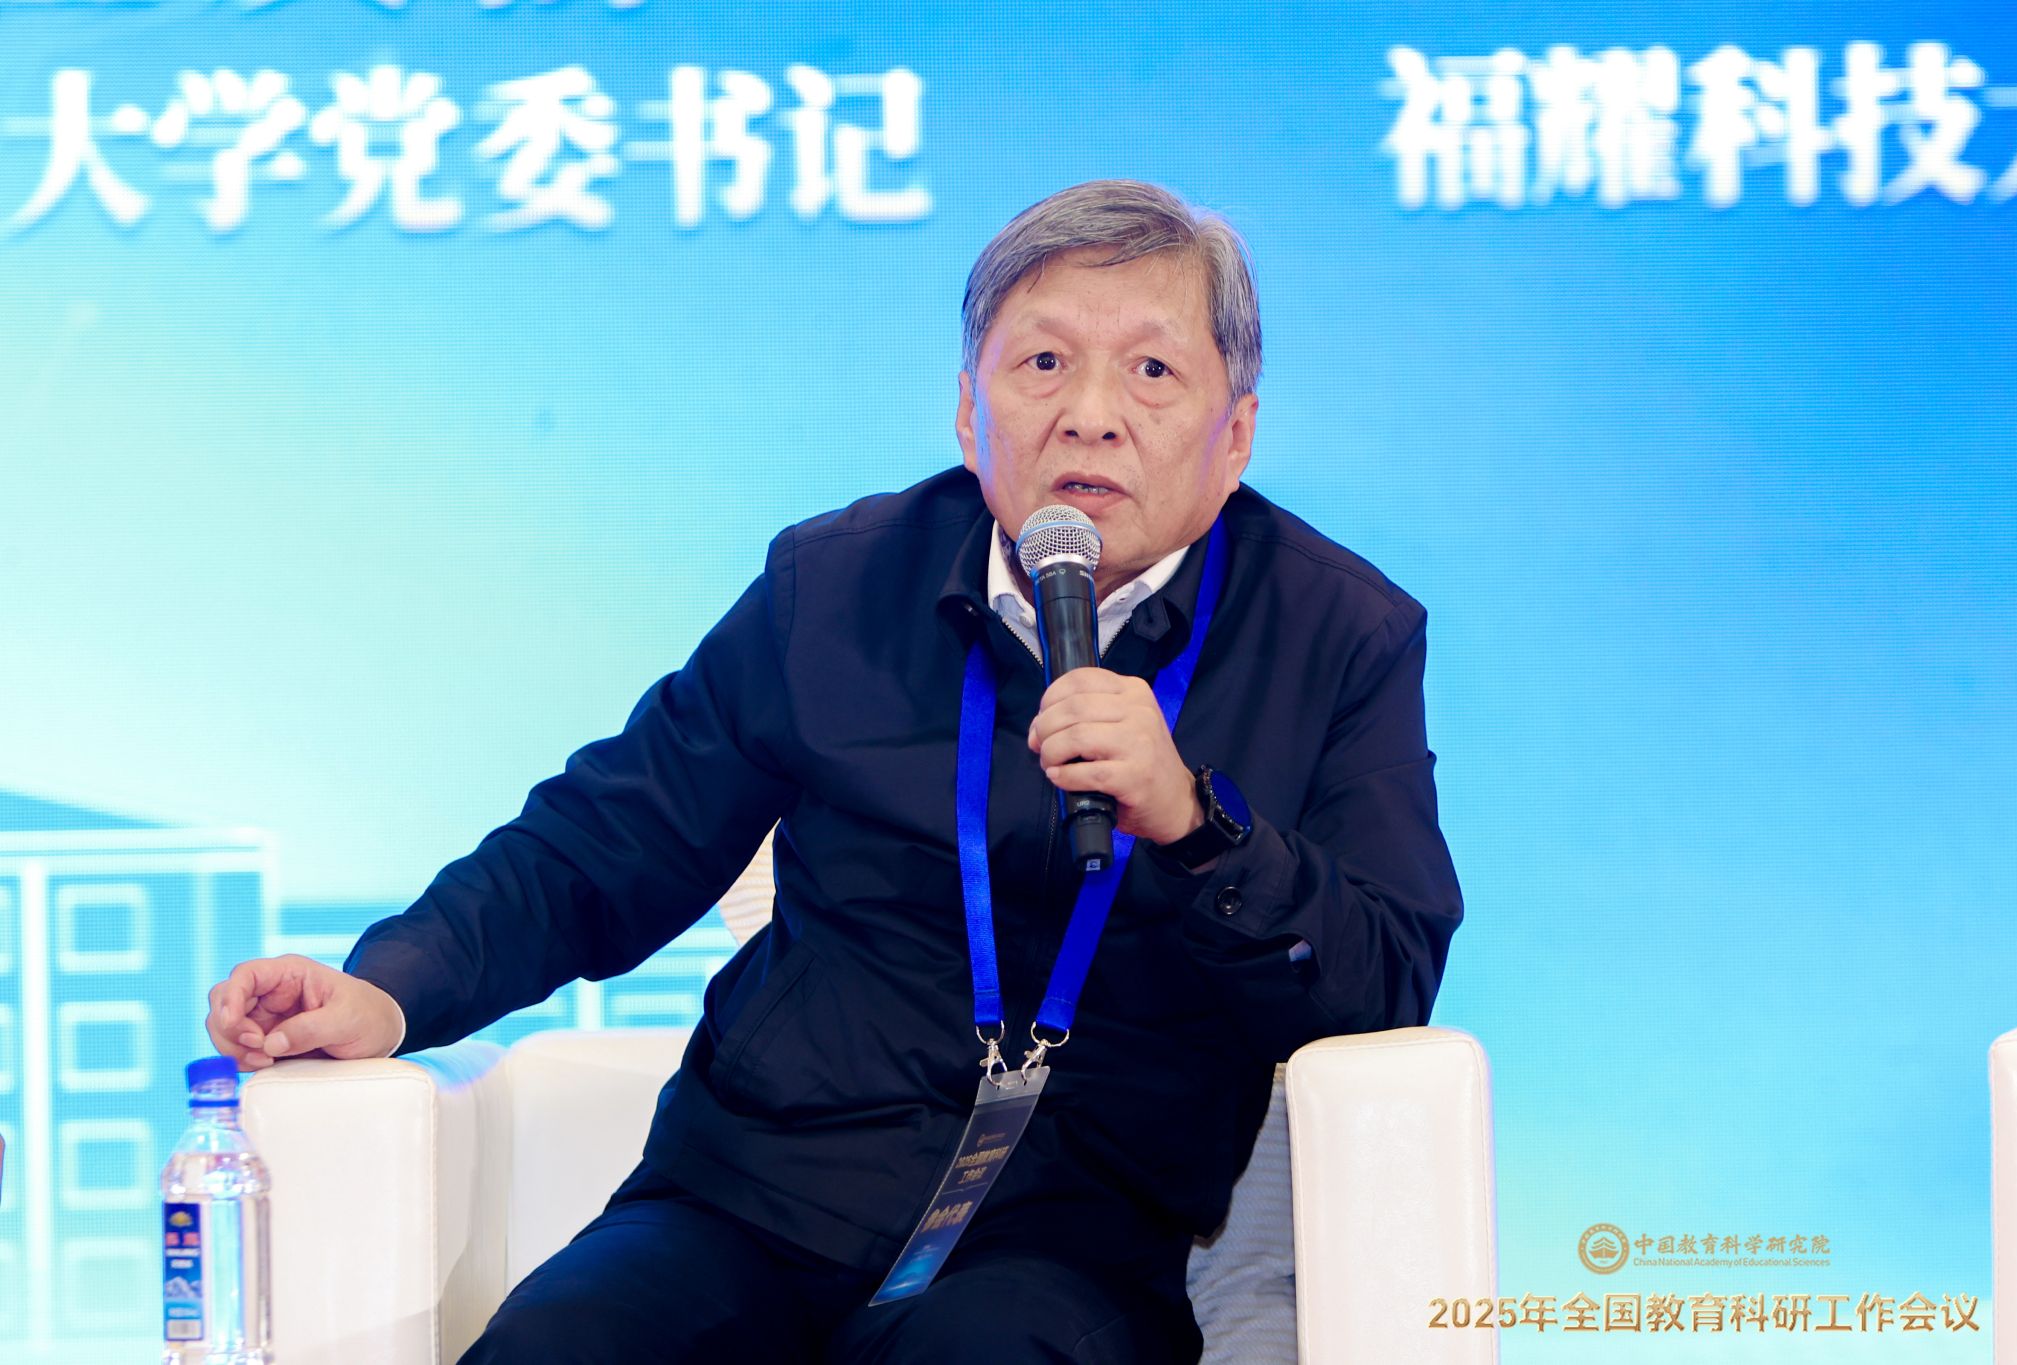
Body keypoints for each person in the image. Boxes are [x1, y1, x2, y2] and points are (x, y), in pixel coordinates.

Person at [204, 179, 1464, 1364]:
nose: (1089, 413)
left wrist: (1196, 825)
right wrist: (391, 988)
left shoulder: (1338, 637)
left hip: (1062, 1242)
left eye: (1150, 370)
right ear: (967, 411)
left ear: (1233, 435)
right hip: (753, 1196)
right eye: (1040, 363)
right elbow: (609, 841)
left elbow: (1381, 974)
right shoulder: (834, 585)